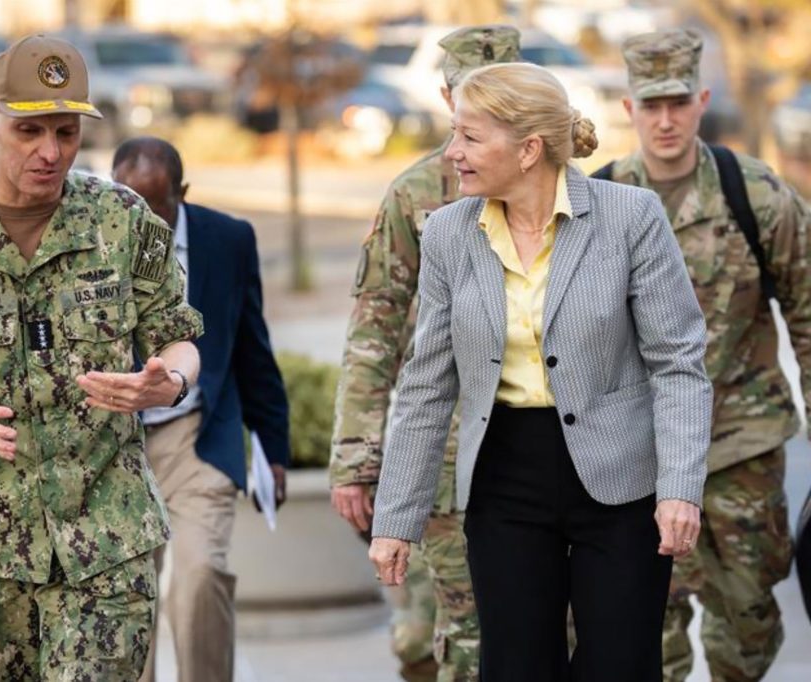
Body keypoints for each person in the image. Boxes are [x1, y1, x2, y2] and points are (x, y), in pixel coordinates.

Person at [0, 35, 203, 680]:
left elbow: (178, 336)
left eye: (66, 131)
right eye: (30, 130)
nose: (50, 152)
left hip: (106, 533)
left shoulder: (123, 220)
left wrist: (168, 383)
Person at [369, 62, 713, 682]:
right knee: (517, 668)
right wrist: (396, 519)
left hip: (621, 480)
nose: (453, 154)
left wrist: (681, 487)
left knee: (620, 667)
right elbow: (426, 385)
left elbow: (678, 363)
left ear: (529, 149)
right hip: (504, 477)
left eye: (470, 138)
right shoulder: (448, 233)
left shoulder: (630, 217)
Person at [600, 29, 811, 682]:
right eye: (651, 104)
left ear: (703, 99)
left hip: (741, 447)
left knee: (747, 618)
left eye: (679, 103)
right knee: (642, 628)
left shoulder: (755, 195)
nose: (666, 120)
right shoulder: (596, 204)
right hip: (639, 455)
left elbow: (808, 313)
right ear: (629, 108)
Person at [330, 24, 520, 682]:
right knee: (467, 635)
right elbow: (374, 330)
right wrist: (356, 456)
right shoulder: (416, 196)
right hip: (449, 458)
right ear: (446, 97)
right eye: (475, 97)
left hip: (557, 454)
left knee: (563, 632)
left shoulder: (573, 192)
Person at [111, 137, 290, 682]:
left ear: (181, 195)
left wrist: (273, 449)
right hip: (115, 448)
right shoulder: (90, 238)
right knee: (127, 597)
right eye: (126, 200)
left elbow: (252, 346)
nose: (138, 217)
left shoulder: (227, 239)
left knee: (200, 573)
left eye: (153, 204)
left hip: (196, 436)